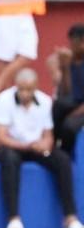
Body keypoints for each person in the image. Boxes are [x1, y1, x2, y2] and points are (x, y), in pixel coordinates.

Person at [0, 68, 84, 228]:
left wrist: (44, 145)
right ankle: (13, 219)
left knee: (62, 159)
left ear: (36, 87)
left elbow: (48, 136)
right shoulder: (4, 100)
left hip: (32, 147)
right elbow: (1, 137)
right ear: (16, 86)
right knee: (10, 158)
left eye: (29, 89)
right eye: (21, 89)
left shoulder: (45, 101)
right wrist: (28, 146)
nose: (25, 94)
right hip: (6, 147)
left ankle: (70, 217)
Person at [48, 24, 84, 158]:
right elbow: (66, 93)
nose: (71, 47)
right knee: (58, 105)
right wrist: (65, 67)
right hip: (76, 103)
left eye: (74, 43)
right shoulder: (72, 61)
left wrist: (73, 114)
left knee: (69, 125)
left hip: (81, 109)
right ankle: (51, 146)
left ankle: (65, 154)